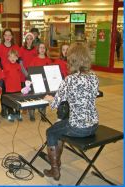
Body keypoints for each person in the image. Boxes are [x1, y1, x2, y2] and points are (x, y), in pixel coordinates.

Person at [43, 43, 99, 181]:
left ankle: (55, 169)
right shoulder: (94, 77)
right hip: (93, 125)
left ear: (71, 59)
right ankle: (57, 159)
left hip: (78, 128)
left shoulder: (69, 80)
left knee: (51, 131)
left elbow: (55, 104)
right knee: (61, 125)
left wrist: (50, 98)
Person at [0, 28, 20, 118]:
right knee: (5, 93)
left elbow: (19, 61)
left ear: (12, 36)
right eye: (6, 35)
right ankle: (4, 109)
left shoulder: (16, 47)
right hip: (4, 73)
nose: (7, 37)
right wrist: (3, 70)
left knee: (14, 94)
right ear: (3, 36)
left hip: (13, 74)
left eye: (9, 35)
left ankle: (13, 109)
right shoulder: (0, 47)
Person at [29, 42, 52, 121]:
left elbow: (50, 72)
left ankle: (43, 114)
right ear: (38, 49)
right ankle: (31, 114)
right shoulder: (34, 59)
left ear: (45, 50)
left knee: (44, 98)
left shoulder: (48, 60)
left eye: (43, 48)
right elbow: (31, 71)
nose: (42, 49)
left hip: (45, 83)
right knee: (34, 98)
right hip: (35, 82)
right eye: (40, 48)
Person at [19, 32, 37, 120]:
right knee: (24, 91)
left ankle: (31, 109)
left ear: (32, 40)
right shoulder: (22, 49)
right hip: (24, 74)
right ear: (25, 40)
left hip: (32, 74)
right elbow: (21, 63)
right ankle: (24, 107)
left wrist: (32, 74)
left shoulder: (35, 50)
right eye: (27, 39)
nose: (29, 41)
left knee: (32, 92)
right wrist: (26, 74)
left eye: (31, 39)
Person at [3, 49, 22, 122]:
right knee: (10, 103)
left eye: (14, 57)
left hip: (17, 88)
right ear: (8, 58)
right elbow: (3, 77)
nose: (12, 58)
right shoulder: (6, 66)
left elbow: (19, 76)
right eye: (10, 57)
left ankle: (18, 114)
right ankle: (11, 114)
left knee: (18, 101)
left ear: (17, 58)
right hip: (9, 88)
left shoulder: (18, 66)